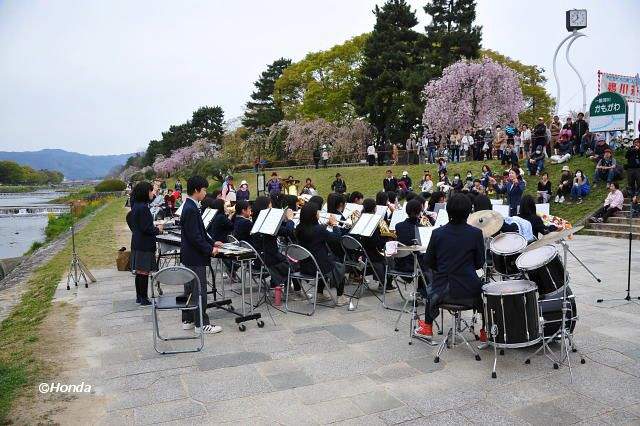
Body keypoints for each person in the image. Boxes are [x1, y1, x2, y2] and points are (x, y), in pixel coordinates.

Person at [415, 194, 486, 341]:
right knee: (486, 292)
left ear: (448, 211)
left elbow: (429, 261)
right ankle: (485, 331)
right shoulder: (476, 234)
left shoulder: (437, 233)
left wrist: (443, 269)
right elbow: (480, 263)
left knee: (430, 288)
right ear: (469, 212)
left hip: (442, 291)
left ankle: (427, 327)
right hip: (469, 292)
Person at [180, 176, 223, 334]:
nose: (205, 192)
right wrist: (209, 249)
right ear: (197, 190)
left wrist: (212, 243)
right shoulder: (191, 208)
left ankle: (189, 320)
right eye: (204, 189)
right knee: (199, 290)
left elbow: (201, 232)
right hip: (195, 256)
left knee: (191, 289)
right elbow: (195, 237)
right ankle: (201, 324)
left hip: (190, 255)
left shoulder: (191, 205)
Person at [295, 202, 348, 305]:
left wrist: (326, 225)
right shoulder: (319, 230)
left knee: (326, 262)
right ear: (313, 215)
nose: (318, 213)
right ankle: (340, 297)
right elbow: (336, 238)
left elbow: (317, 233)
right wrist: (334, 224)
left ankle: (320, 294)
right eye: (317, 212)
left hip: (304, 265)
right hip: (318, 266)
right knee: (339, 266)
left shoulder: (299, 229)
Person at [128, 181, 163, 305]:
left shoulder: (136, 205)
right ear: (145, 192)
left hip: (138, 242)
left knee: (140, 272)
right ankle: (143, 298)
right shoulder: (143, 208)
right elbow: (146, 228)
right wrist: (158, 229)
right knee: (143, 272)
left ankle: (140, 297)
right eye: (150, 191)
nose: (152, 193)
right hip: (144, 244)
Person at [357, 198, 395, 291]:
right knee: (391, 257)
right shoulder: (374, 222)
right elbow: (376, 242)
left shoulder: (361, 219)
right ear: (374, 209)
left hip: (363, 252)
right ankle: (387, 284)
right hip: (373, 254)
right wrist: (387, 239)